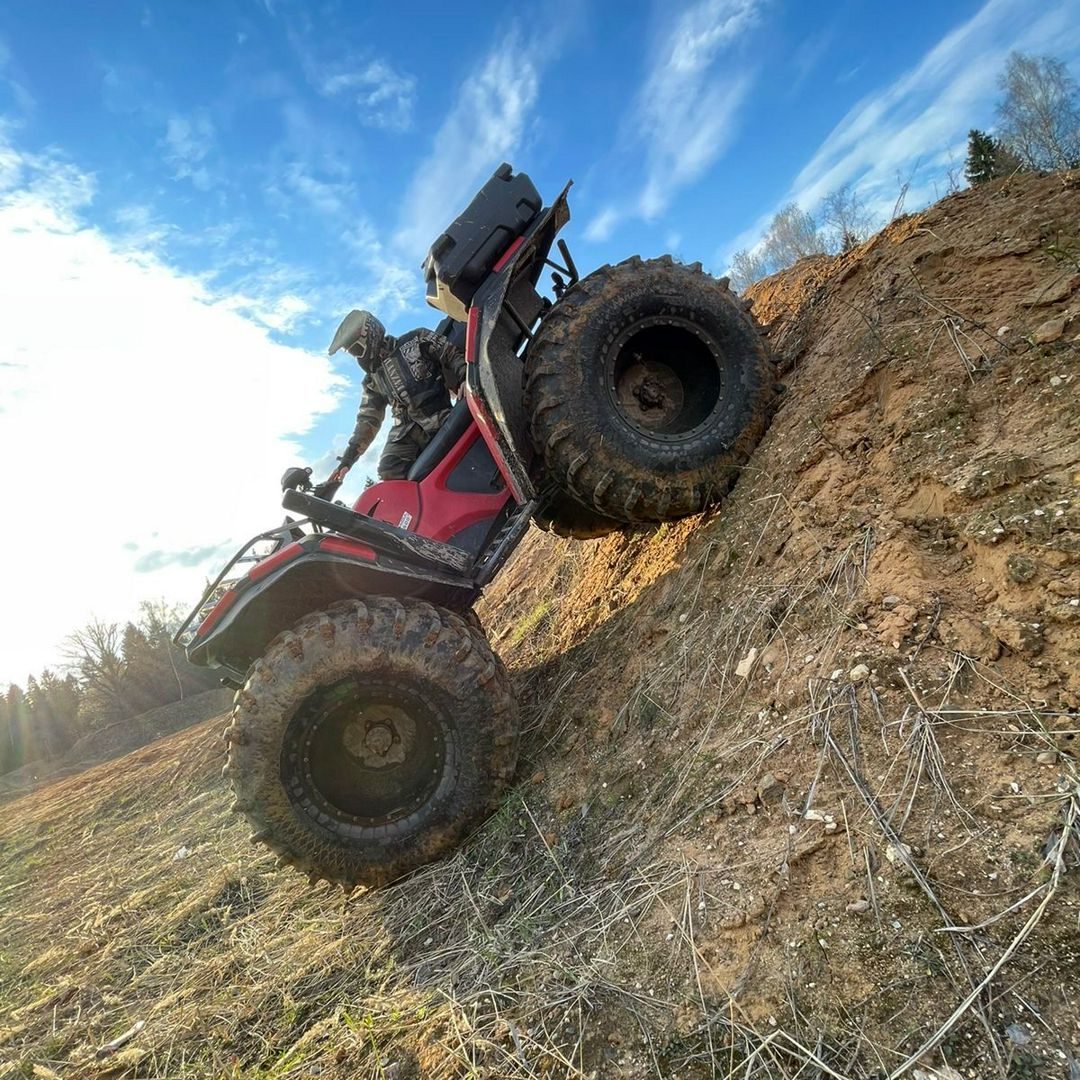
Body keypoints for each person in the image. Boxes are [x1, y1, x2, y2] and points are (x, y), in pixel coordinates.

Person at [313, 310, 466, 497]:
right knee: (388, 468)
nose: (358, 357)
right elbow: (367, 420)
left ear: (370, 335)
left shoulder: (416, 339)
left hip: (440, 416)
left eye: (357, 350)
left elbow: (449, 352)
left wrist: (465, 377)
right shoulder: (372, 380)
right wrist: (347, 462)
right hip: (407, 433)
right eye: (353, 354)